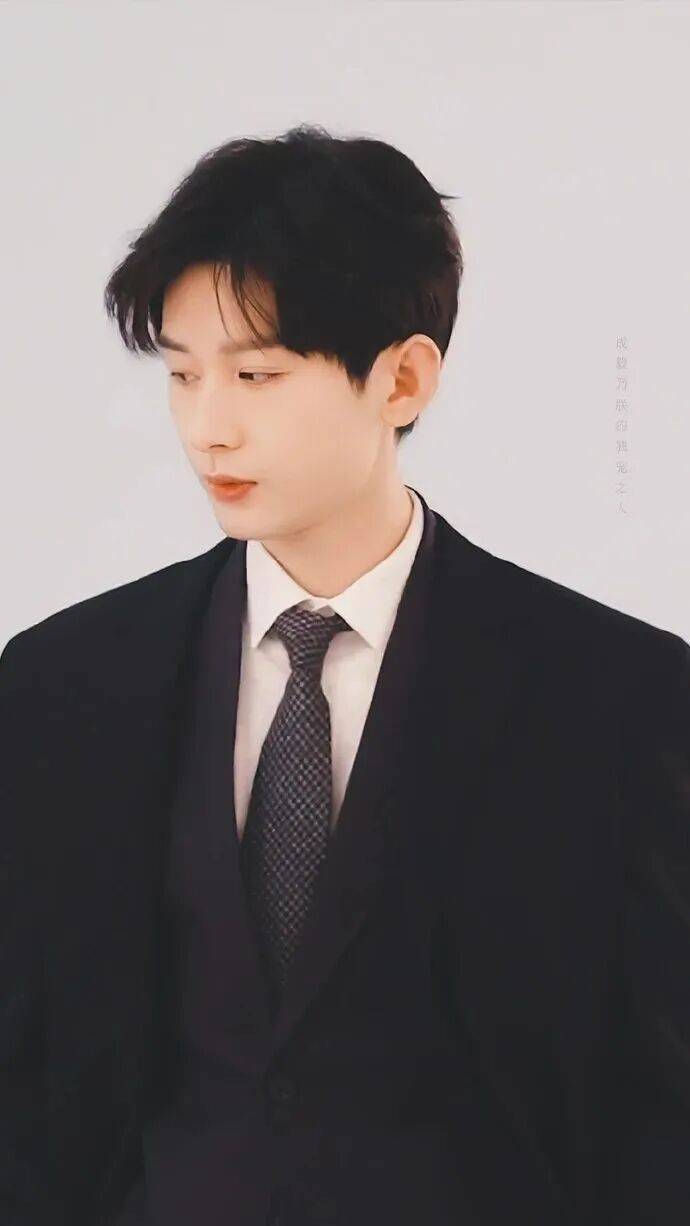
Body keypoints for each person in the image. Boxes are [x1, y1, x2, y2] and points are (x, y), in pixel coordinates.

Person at [1, 123, 688, 1226]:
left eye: (257, 374)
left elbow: (657, 1110)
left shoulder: (617, 698)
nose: (207, 427)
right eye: (182, 375)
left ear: (403, 378)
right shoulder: (64, 683)